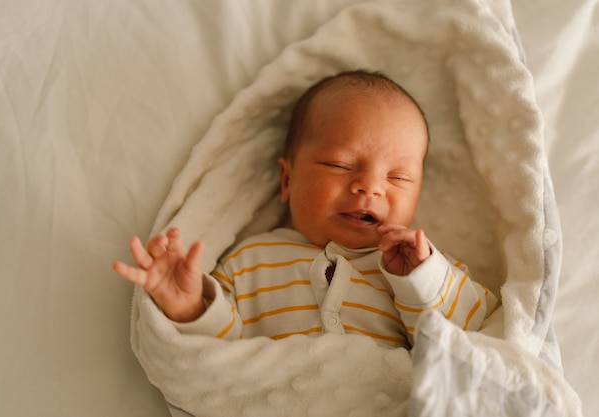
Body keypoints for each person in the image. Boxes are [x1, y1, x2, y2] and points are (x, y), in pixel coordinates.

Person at [113, 70, 497, 348]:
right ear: (287, 180)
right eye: (340, 166)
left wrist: (424, 278)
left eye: (398, 177)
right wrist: (191, 307)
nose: (371, 186)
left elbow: (469, 342)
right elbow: (218, 356)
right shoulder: (250, 261)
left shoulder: (421, 271)